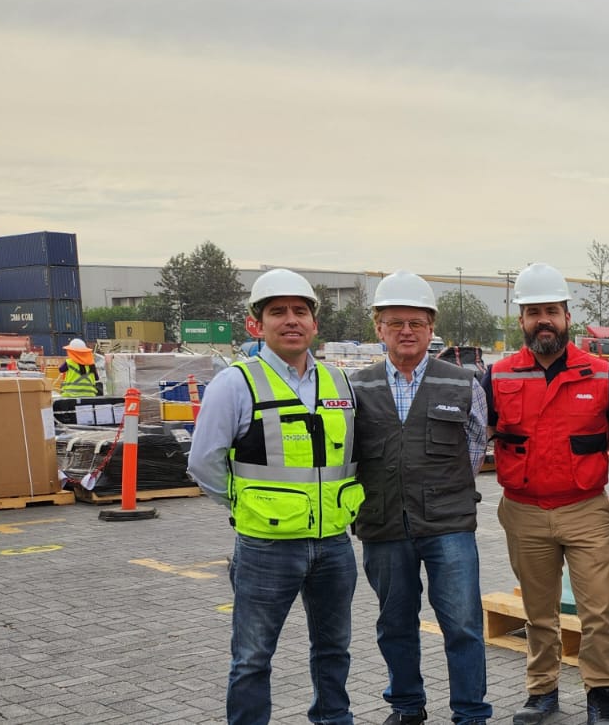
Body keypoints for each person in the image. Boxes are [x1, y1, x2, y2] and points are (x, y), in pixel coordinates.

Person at [186, 268, 364, 725]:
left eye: (300, 312)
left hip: (333, 545)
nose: (291, 320)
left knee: (333, 650)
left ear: (314, 323)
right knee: (251, 658)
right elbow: (203, 462)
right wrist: (249, 506)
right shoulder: (236, 382)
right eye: (277, 312)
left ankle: (333, 719)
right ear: (256, 324)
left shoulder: (340, 383)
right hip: (266, 548)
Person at [349, 271, 491, 725]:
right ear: (378, 327)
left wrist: (438, 490)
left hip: (448, 527)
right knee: (394, 626)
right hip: (384, 525)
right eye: (395, 323)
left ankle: (470, 713)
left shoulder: (464, 383)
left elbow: (473, 453)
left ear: (432, 328)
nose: (406, 331)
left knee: (463, 626)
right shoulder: (356, 387)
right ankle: (407, 707)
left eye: (416, 322)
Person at [486, 262, 609, 725]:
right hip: (523, 511)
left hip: (584, 508)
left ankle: (600, 694)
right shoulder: (498, 376)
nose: (543, 320)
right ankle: (542, 692)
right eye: (533, 312)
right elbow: (477, 437)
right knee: (538, 611)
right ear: (521, 320)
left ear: (567, 315)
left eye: (551, 311)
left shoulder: (602, 376)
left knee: (599, 610)